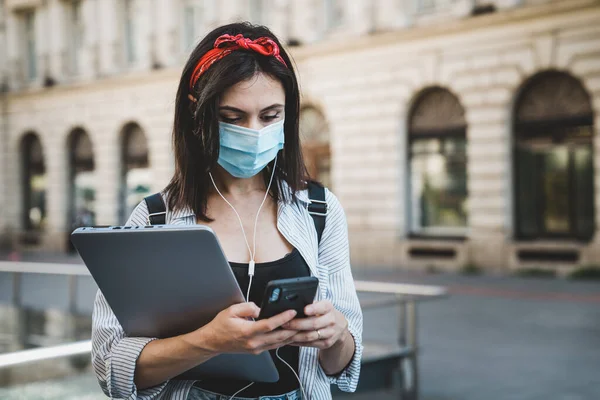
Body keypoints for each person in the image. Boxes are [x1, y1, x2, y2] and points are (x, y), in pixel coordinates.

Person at [91, 22, 363, 400]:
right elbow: (111, 369)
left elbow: (343, 367)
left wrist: (334, 336)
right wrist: (207, 341)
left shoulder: (320, 210)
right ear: (196, 116)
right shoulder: (154, 220)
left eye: (270, 116)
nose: (253, 132)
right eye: (232, 118)